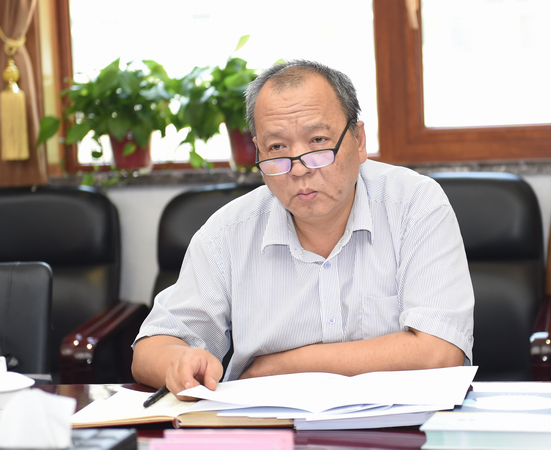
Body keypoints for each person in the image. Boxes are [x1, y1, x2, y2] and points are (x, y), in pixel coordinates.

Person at [132, 60, 474, 397]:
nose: (298, 169)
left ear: (358, 140)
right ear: (259, 153)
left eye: (318, 140)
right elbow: (151, 348)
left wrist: (277, 367)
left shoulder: (414, 205)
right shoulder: (228, 232)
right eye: (277, 148)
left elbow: (439, 354)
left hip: (398, 423)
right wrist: (178, 362)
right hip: (270, 423)